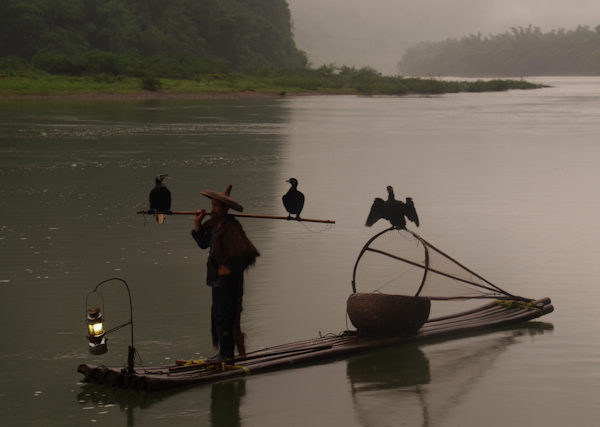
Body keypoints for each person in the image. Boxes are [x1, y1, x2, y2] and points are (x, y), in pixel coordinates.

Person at [191, 185, 259, 361]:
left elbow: (249, 255)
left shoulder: (232, 227)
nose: (212, 209)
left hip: (229, 282)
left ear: (225, 208)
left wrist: (230, 269)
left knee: (226, 316)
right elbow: (204, 244)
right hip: (215, 278)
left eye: (216, 206)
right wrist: (197, 225)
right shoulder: (214, 225)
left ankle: (227, 355)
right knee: (218, 316)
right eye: (212, 205)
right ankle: (223, 352)